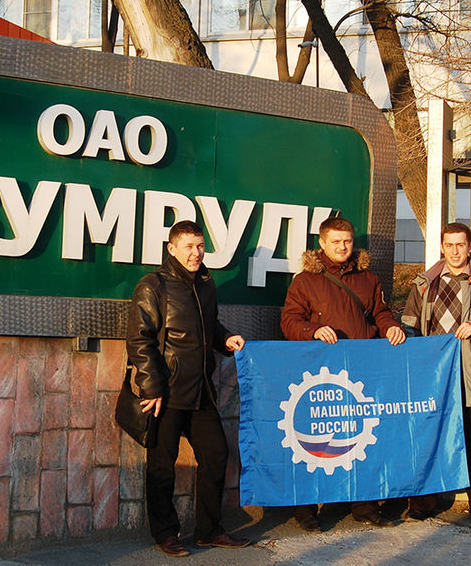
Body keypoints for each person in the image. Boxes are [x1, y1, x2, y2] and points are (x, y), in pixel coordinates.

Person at [126, 220, 251, 557]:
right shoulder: (153, 285)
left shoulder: (206, 284)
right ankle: (165, 533)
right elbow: (139, 340)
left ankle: (209, 530)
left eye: (200, 246)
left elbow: (209, 326)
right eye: (188, 247)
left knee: (216, 456)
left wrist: (226, 339)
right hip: (166, 393)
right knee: (161, 467)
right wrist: (152, 387)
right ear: (172, 249)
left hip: (201, 391)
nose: (196, 253)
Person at [280, 216, 405, 531]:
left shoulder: (369, 279)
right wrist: (312, 330)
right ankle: (306, 509)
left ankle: (364, 505)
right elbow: (289, 321)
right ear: (322, 243)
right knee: (314, 441)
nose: (342, 247)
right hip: (319, 377)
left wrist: (391, 327)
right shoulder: (304, 281)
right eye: (335, 241)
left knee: (362, 439)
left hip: (361, 374)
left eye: (347, 241)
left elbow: (380, 313)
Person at [402, 222, 471, 527]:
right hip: (434, 379)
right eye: (449, 245)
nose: (454, 251)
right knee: (429, 438)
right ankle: (423, 503)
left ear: (469, 247)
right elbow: (409, 324)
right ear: (442, 247)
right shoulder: (424, 284)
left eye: (460, 245)